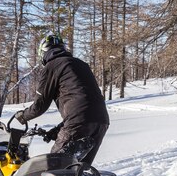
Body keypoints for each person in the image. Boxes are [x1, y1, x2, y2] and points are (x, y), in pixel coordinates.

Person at [14, 34, 109, 165]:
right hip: (101, 121)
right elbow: (83, 102)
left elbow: (39, 105)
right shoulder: (81, 64)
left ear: (43, 53)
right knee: (79, 170)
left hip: (78, 121)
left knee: (53, 168)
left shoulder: (52, 66)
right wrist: (57, 130)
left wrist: (23, 116)